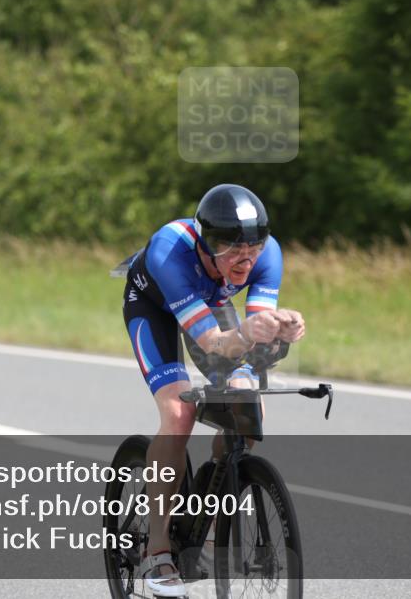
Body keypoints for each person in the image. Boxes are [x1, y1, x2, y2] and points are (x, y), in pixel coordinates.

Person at [121, 183, 306, 597]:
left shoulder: (267, 254)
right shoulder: (171, 251)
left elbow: (255, 346)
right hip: (155, 306)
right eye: (231, 248)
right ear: (206, 244)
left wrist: (282, 334)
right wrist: (244, 333)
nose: (245, 258)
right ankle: (157, 549)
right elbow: (215, 343)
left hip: (209, 303)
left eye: (253, 247)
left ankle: (213, 497)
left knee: (245, 400)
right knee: (178, 411)